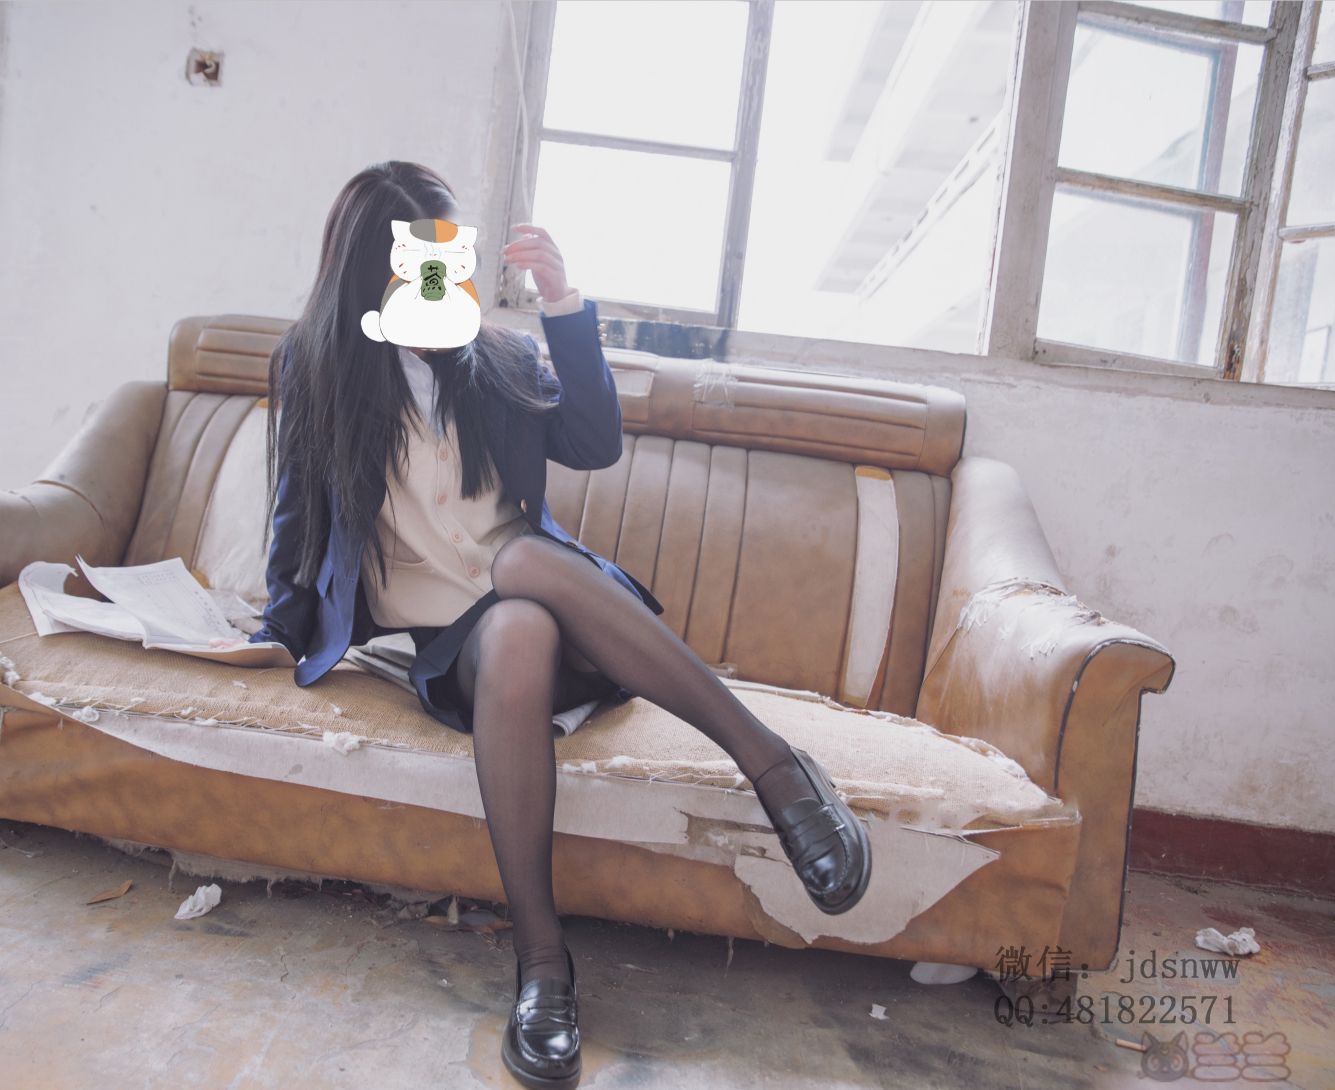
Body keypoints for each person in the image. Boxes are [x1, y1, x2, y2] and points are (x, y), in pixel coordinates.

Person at [247, 161, 871, 1090]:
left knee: (525, 569)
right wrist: (275, 630)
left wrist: (565, 305)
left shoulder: (497, 357)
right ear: (370, 274)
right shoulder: (317, 366)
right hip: (457, 646)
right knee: (516, 627)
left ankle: (775, 768)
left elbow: (594, 443)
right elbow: (297, 515)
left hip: (581, 621)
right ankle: (544, 968)